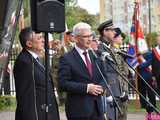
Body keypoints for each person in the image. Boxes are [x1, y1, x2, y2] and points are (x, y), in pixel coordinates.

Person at [58, 22, 106, 120]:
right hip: (78, 111)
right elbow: (63, 83)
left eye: (91, 36)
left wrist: (101, 87)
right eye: (85, 36)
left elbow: (103, 77)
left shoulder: (96, 55)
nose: (89, 39)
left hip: (97, 110)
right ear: (75, 38)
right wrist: (87, 88)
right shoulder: (67, 58)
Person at [13, 27, 60, 120]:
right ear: (29, 43)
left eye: (42, 37)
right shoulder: (24, 62)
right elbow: (26, 97)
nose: (43, 40)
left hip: (47, 113)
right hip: (37, 115)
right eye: (39, 38)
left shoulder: (35, 58)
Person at [97, 20, 129, 120]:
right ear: (105, 32)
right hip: (109, 93)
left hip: (116, 92)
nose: (115, 33)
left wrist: (121, 90)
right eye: (112, 30)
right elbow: (102, 74)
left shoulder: (108, 49)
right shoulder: (100, 49)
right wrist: (108, 94)